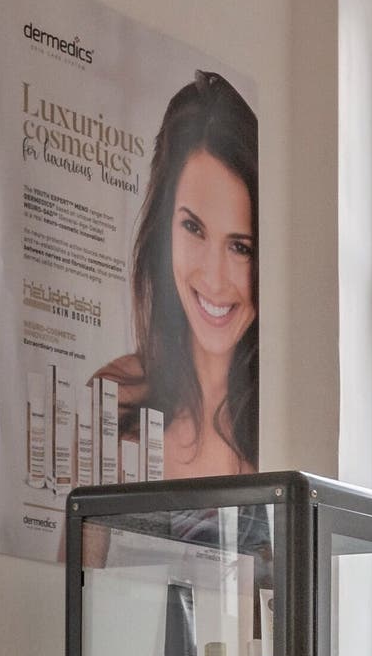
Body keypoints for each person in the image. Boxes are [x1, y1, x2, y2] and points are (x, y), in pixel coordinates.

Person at [95, 70, 258, 477]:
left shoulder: (285, 418)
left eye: (240, 247)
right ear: (163, 225)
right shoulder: (116, 396)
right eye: (193, 228)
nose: (215, 279)